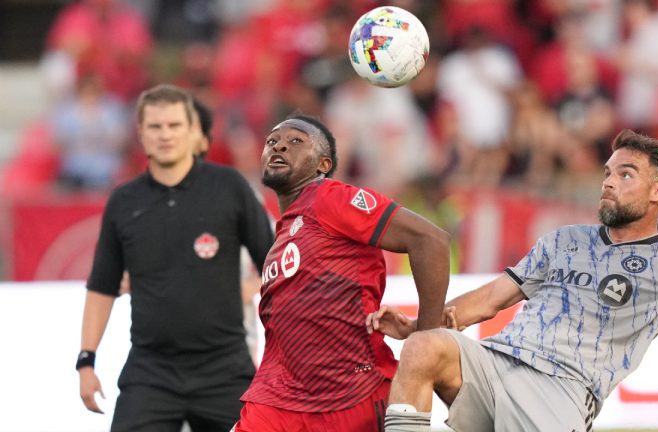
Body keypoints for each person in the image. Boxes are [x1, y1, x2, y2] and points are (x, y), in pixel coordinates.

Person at [370, 129, 658, 431]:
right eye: (608, 172)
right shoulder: (563, 240)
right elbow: (491, 298)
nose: (609, 181)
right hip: (494, 364)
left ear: (657, 192)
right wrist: (420, 324)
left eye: (625, 175)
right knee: (424, 347)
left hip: (561, 392)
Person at [232, 114, 451, 431]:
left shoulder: (331, 198)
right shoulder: (282, 236)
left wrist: (428, 349)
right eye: (272, 141)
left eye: (296, 141)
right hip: (277, 398)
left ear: (323, 165)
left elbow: (431, 241)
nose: (279, 145)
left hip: (349, 395)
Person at [77, 84, 274, 432]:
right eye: (155, 127)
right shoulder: (124, 201)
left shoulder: (229, 187)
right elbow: (102, 286)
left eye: (174, 125)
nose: (165, 135)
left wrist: (254, 289)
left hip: (224, 366)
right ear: (140, 133)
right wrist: (86, 360)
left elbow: (276, 264)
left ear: (191, 130)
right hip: (151, 370)